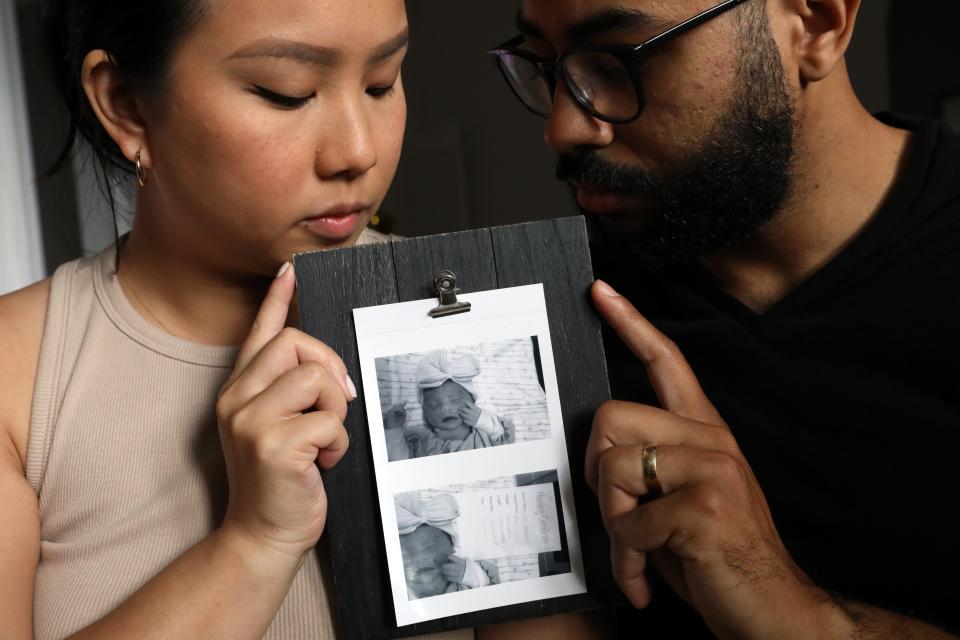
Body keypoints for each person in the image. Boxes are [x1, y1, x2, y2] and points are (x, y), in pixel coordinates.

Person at [0, 1, 481, 638]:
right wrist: (255, 543)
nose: (356, 153)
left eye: (382, 82)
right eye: (288, 93)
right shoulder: (16, 374)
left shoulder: (470, 318)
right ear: (126, 104)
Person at [487, 0, 960, 637]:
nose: (566, 128)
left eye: (623, 59)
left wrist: (797, 614)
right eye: (547, 66)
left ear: (816, 23)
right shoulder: (539, 323)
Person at [384, 351, 515, 460]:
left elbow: (506, 444)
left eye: (456, 400)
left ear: (473, 401)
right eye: (433, 405)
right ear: (424, 411)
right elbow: (401, 462)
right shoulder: (421, 439)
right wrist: (393, 430)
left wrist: (485, 421)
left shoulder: (485, 433)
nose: (445, 408)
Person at [396, 492, 500, 599]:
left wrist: (473, 576)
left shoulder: (475, 570)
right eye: (408, 552)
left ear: (452, 546)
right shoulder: (399, 590)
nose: (421, 558)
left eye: (431, 546)